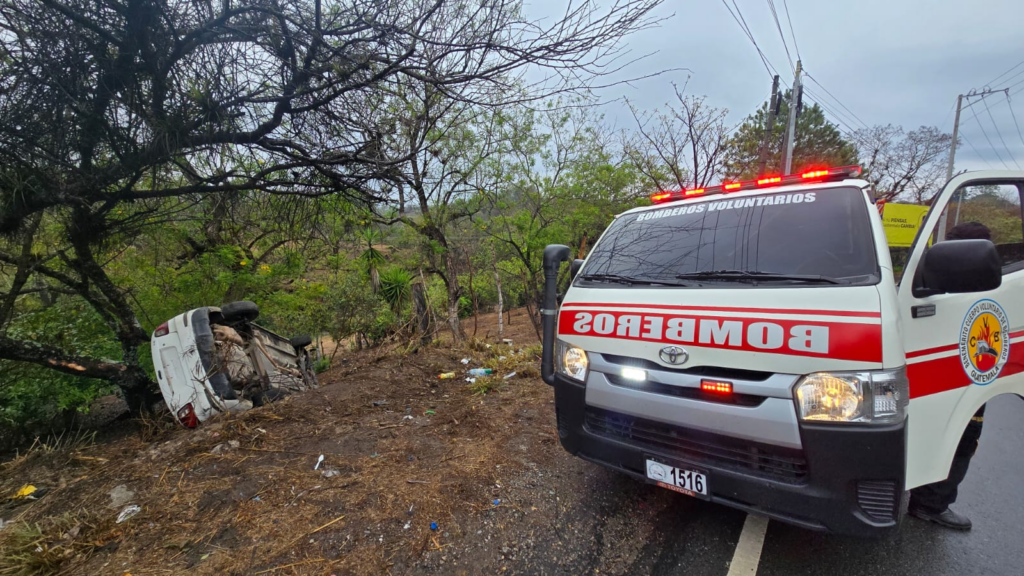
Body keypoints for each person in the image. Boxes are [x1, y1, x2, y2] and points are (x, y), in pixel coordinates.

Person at [908, 221, 992, 530]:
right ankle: (931, 503)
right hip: (954, 372)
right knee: (962, 434)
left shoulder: (931, 271)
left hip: (936, 367)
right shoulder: (969, 284)